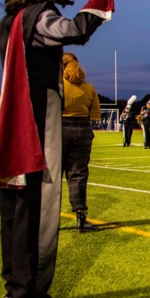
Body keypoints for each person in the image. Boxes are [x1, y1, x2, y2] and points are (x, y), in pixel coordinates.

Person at [0, 0, 114, 298]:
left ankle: (15, 290)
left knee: (13, 206)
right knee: (34, 205)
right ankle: (28, 295)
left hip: (10, 121)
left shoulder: (10, 21)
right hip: (33, 120)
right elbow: (72, 30)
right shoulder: (37, 16)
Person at [61, 52, 100, 232]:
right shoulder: (89, 88)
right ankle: (81, 216)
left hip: (58, 129)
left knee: (50, 176)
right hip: (82, 130)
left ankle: (47, 220)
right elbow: (95, 115)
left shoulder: (57, 87)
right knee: (78, 174)